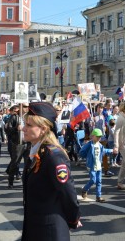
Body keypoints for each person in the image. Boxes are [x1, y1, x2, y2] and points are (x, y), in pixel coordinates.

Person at [21, 102, 81, 240]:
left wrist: (73, 218)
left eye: (29, 125)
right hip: (35, 227)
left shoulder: (53, 156)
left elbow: (67, 192)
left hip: (50, 231)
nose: (23, 129)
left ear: (43, 129)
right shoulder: (33, 151)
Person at [79, 128, 117, 202]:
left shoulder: (100, 145)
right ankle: (85, 189)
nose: (99, 138)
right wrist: (86, 156)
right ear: (93, 136)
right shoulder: (89, 144)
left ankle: (98, 197)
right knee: (93, 180)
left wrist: (112, 150)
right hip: (91, 166)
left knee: (99, 181)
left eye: (100, 136)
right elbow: (81, 152)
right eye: (97, 136)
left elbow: (104, 150)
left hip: (98, 165)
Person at [6, 104, 30, 189]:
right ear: (20, 107)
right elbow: (8, 129)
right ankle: (10, 181)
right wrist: (16, 128)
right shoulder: (14, 117)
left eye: (27, 106)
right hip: (18, 143)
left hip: (28, 143)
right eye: (24, 106)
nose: (26, 108)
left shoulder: (29, 116)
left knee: (28, 163)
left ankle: (26, 182)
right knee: (15, 162)